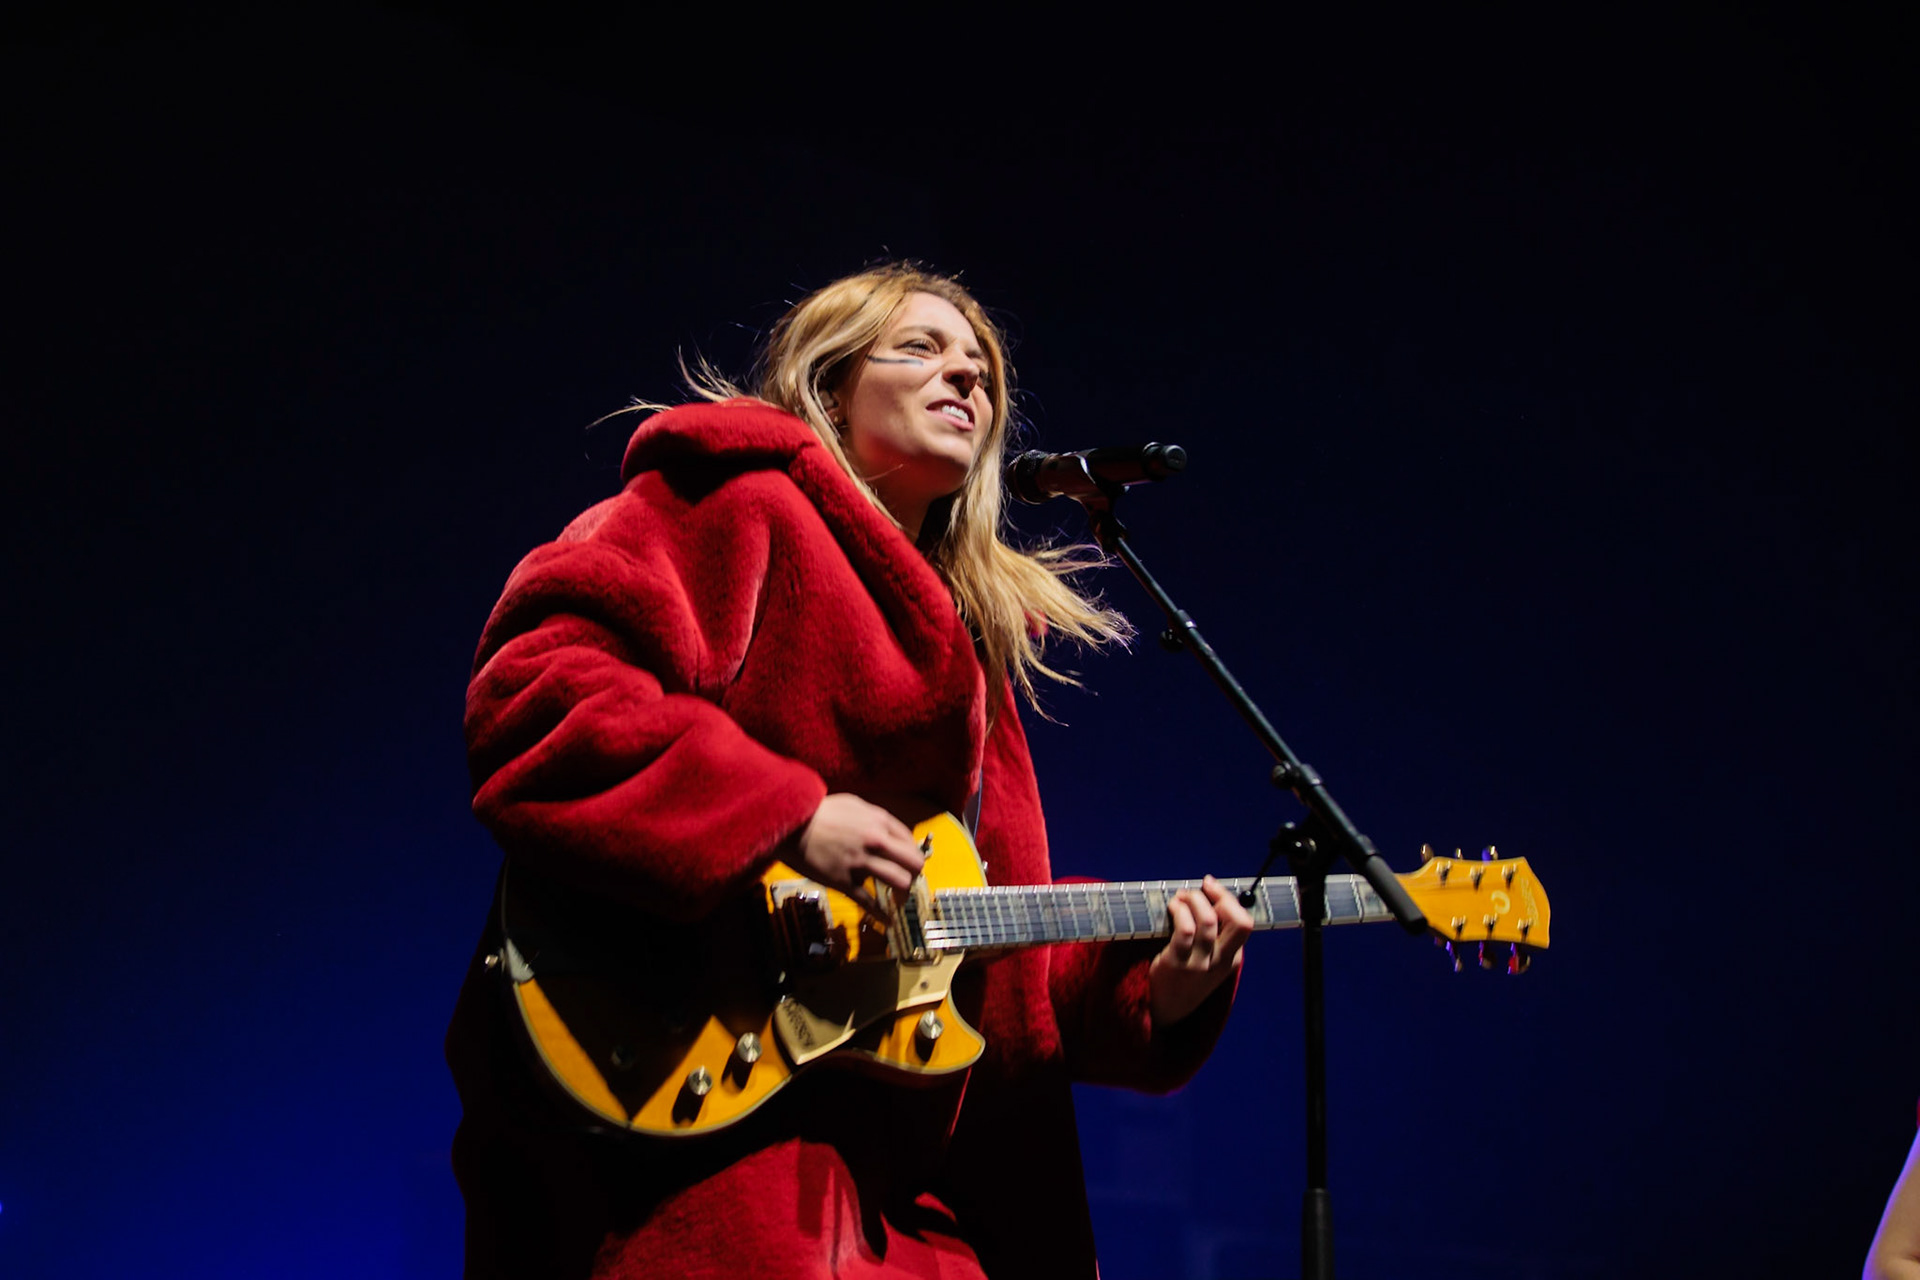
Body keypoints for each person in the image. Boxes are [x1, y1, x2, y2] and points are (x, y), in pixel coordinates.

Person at [446, 264, 1253, 1279]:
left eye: (984, 372)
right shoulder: (730, 505)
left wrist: (1150, 988)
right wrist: (781, 816)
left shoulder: (973, 637)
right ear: (830, 385)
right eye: (920, 347)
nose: (966, 376)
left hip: (906, 1204)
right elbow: (540, 691)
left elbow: (977, 950)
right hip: (696, 1152)